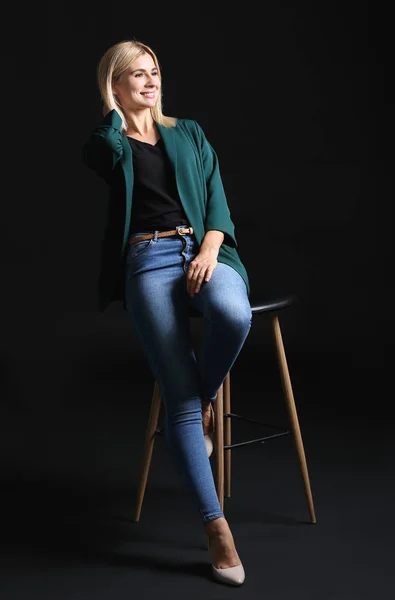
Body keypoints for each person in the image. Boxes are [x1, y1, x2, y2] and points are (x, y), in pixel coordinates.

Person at [82, 39, 252, 586]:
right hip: (146, 262)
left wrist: (207, 250)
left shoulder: (190, 133)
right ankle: (216, 526)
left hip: (201, 249)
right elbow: (100, 154)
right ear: (116, 85)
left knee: (234, 315)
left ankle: (203, 399)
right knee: (175, 396)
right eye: (136, 75)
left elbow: (218, 200)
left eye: (154, 72)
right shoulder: (111, 143)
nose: (150, 82)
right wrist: (114, 112)